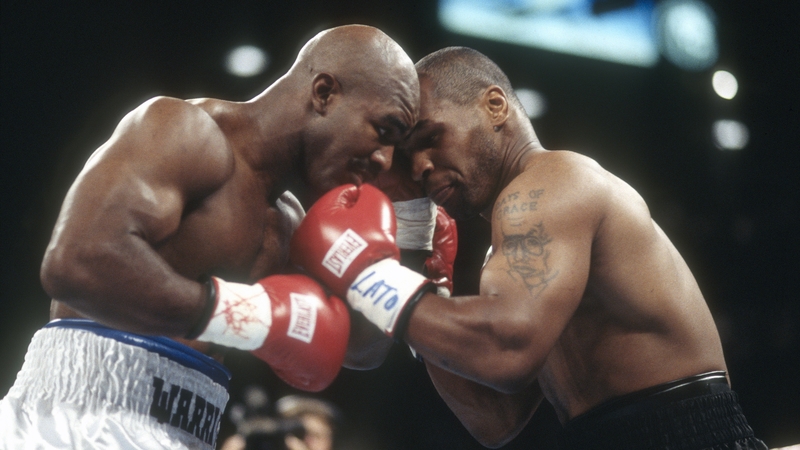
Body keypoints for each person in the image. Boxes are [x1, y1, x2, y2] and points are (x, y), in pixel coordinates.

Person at [288, 47, 768, 449]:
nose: (420, 167)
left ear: (495, 106)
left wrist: (368, 276)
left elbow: (506, 350)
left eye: (432, 137)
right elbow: (496, 419)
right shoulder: (509, 248)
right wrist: (418, 269)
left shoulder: (558, 182)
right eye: (410, 155)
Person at [0, 24, 419, 450]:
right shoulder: (183, 130)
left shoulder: (292, 222)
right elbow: (75, 262)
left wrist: (400, 237)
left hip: (189, 430)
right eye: (384, 131)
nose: (385, 160)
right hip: (76, 419)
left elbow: (359, 351)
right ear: (324, 93)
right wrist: (242, 314)